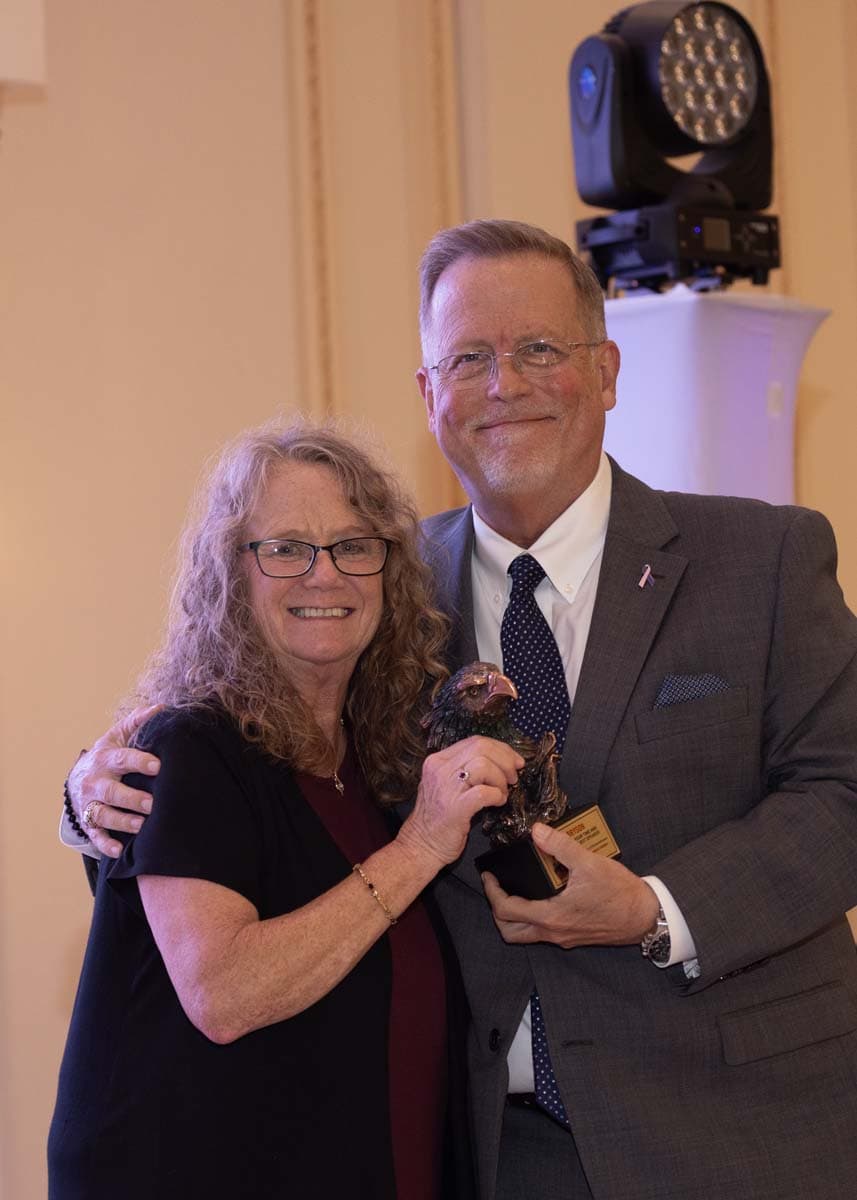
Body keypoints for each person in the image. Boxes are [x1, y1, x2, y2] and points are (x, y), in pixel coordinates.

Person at [64, 220, 857, 1200]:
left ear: (605, 370)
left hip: (738, 1136)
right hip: (481, 1152)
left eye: (537, 350)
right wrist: (89, 797)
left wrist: (654, 908)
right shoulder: (368, 588)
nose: (503, 385)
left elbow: (842, 792)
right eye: (467, 358)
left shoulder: (762, 558)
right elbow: (248, 761)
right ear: (427, 393)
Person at [49, 421, 524, 1199]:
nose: (323, 575)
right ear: (229, 573)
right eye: (285, 548)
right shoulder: (192, 747)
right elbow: (225, 994)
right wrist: (418, 849)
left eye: (351, 546)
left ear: (389, 573)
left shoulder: (379, 753)